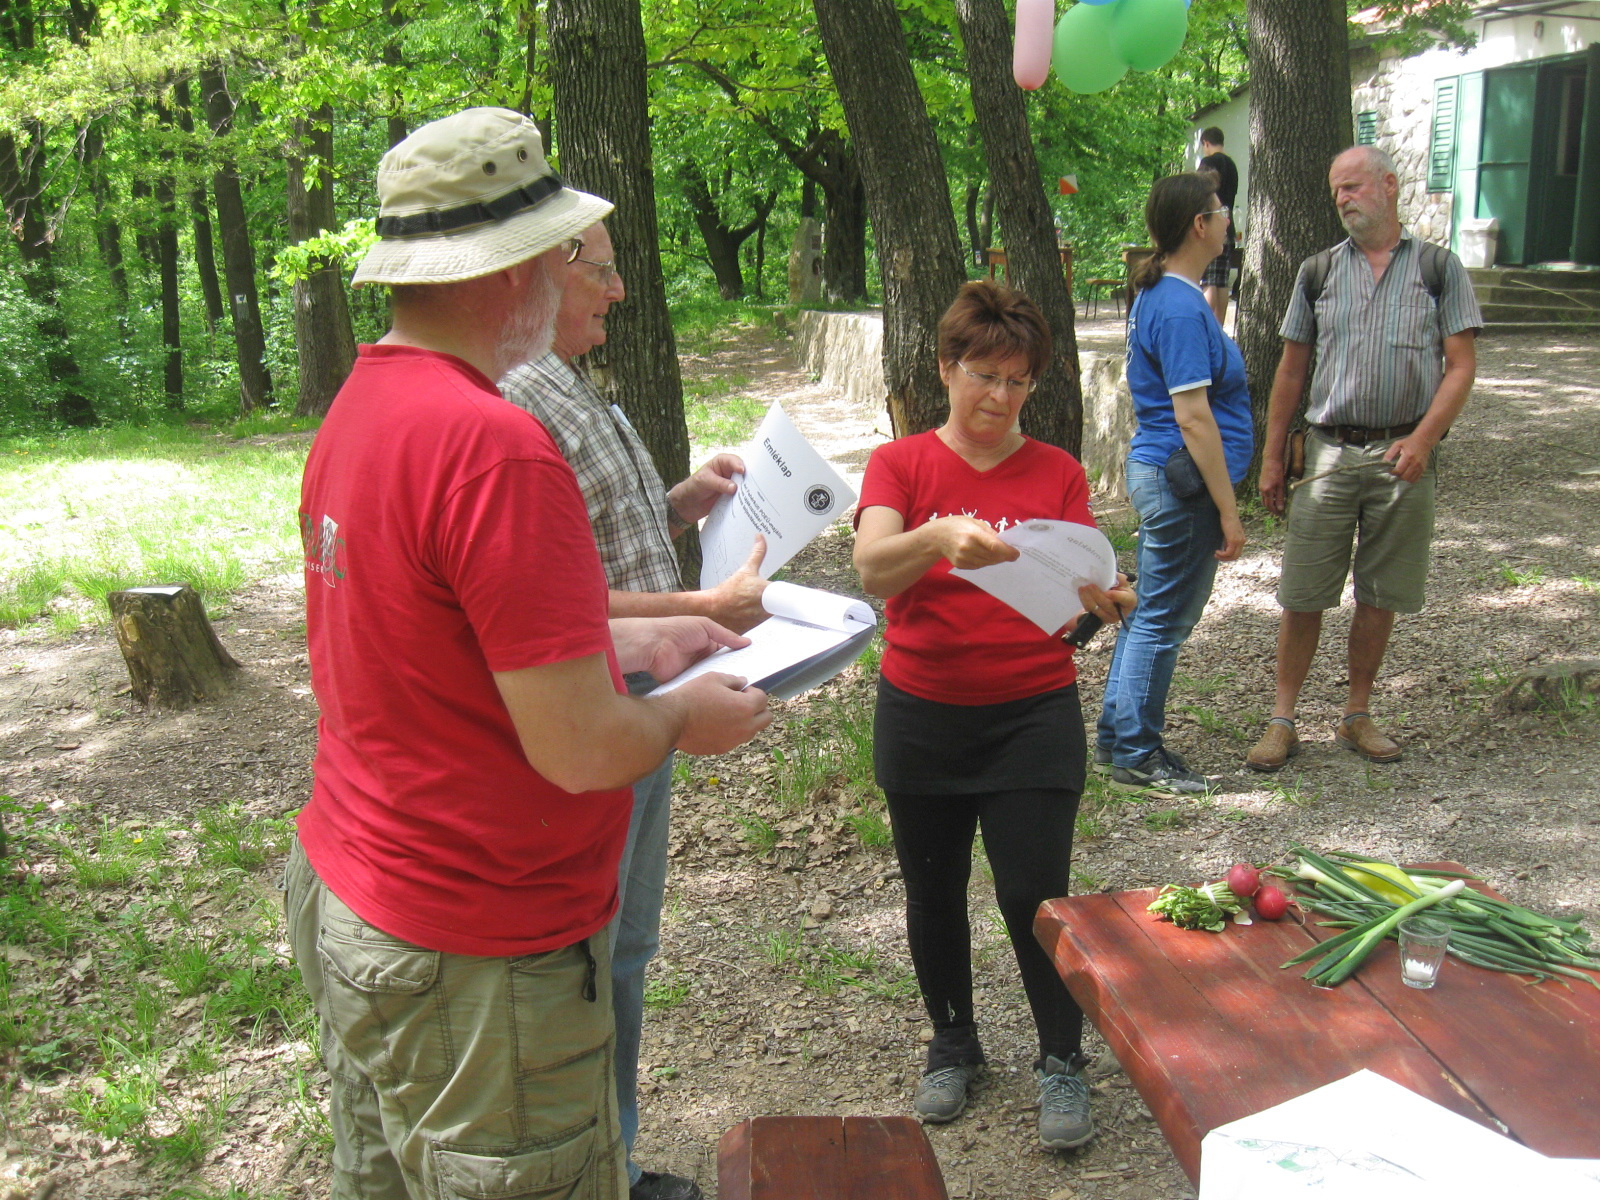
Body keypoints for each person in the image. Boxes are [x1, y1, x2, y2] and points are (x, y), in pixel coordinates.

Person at [287, 107, 772, 1200]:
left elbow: (448, 639)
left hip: (357, 895)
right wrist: (687, 716)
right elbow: (581, 748)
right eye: (558, 250)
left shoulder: (358, 410)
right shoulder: (495, 444)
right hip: (481, 947)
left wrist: (643, 636)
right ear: (508, 272)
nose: (569, 274)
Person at [499, 219, 767, 1200]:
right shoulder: (517, 402)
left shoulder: (571, 386)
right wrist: (702, 606)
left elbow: (601, 538)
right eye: (603, 273)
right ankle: (595, 1165)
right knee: (594, 949)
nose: (617, 293)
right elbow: (555, 601)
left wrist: (684, 502)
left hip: (639, 701)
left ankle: (609, 1155)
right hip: (598, 711)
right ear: (550, 268)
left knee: (626, 944)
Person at [853, 281, 1135, 1150]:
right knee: (932, 893)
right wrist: (939, 536)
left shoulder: (1056, 471)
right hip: (924, 714)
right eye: (983, 375)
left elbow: (1078, 590)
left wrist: (1103, 603)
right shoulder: (900, 465)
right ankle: (953, 1043)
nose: (999, 398)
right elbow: (871, 567)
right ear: (945, 368)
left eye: (1018, 382)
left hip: (1031, 716)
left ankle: (1061, 1060)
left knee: (1032, 896)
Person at [1248, 146, 1481, 772]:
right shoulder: (1318, 271)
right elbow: (1291, 370)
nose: (1344, 199)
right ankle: (1282, 719)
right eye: (1336, 192)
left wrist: (1426, 440)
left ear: (1389, 185)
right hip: (1328, 451)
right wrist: (1273, 458)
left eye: (1353, 187)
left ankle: (1357, 714)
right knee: (1303, 592)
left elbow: (1461, 366)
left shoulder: (1439, 268)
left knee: (1380, 592)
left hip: (1405, 455)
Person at [1096, 172, 1253, 795]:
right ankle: (1137, 750)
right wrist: (1229, 510)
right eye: (1219, 212)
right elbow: (1192, 414)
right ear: (1198, 225)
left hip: (1161, 475)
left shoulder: (1161, 294)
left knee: (1150, 613)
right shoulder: (1183, 305)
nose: (1226, 221)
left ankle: (1118, 739)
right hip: (1180, 482)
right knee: (1162, 618)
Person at [1196, 127, 1239, 327]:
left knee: (1210, 280)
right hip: (1227, 225)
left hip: (1210, 224)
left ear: (1206, 143)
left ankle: (1201, 325)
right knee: (1221, 280)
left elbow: (1198, 194)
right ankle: (1218, 328)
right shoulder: (1232, 165)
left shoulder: (1208, 164)